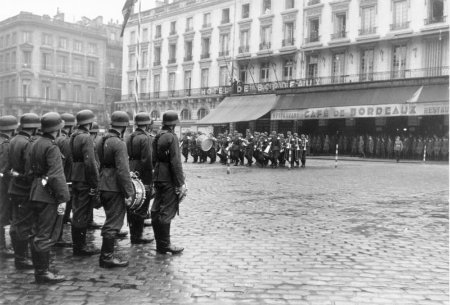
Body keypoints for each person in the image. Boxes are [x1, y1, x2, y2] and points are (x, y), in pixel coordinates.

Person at [28, 112, 70, 283]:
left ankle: (41, 269)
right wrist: (63, 198)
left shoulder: (36, 143)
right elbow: (56, 176)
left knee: (37, 232)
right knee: (45, 234)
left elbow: (29, 169)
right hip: (48, 195)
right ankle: (42, 273)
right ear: (57, 130)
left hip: (36, 190)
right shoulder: (52, 147)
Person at [97, 111, 134, 268]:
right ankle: (106, 258)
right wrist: (129, 192)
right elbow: (122, 170)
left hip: (103, 183)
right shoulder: (119, 143)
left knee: (109, 219)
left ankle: (106, 255)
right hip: (114, 187)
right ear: (124, 127)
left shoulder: (101, 140)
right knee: (113, 222)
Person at [8, 113, 40, 270]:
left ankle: (19, 256)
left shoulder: (13, 140)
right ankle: (21, 258)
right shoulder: (28, 144)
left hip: (14, 187)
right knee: (24, 224)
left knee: (16, 222)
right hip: (24, 189)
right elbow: (29, 171)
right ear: (34, 128)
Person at [151, 110, 186, 254]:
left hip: (158, 176)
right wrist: (180, 182)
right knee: (167, 211)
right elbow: (175, 162)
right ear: (173, 124)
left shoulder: (157, 136)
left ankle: (160, 244)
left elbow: (153, 159)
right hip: (168, 178)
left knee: (156, 209)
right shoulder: (172, 137)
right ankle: (165, 245)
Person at [70, 110, 101, 256]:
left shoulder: (74, 136)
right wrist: (95, 183)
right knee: (83, 212)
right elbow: (90, 162)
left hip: (75, 176)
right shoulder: (86, 137)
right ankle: (80, 247)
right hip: (84, 178)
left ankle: (78, 245)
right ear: (89, 123)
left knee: (77, 210)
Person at [126, 112, 154, 244]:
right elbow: (147, 160)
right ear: (147, 124)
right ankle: (137, 236)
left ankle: (133, 234)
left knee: (132, 203)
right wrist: (149, 179)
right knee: (142, 203)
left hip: (131, 168)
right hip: (142, 172)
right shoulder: (146, 138)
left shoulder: (130, 136)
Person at [54, 113, 76, 248]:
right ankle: (58, 238)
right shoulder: (66, 141)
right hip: (66, 179)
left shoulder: (57, 139)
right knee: (63, 210)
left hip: (60, 178)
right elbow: (67, 161)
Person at [0, 115, 18, 259]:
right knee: (2, 214)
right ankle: (2, 247)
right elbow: (5, 169)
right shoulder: (6, 144)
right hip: (2, 185)